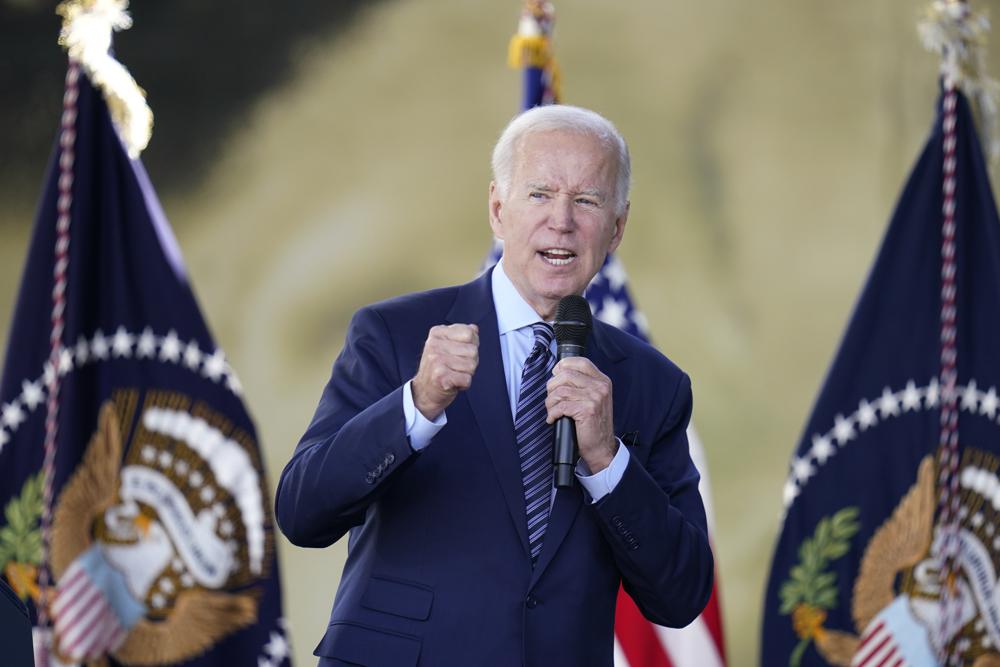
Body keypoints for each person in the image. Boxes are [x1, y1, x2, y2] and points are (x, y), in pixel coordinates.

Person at [275, 104, 714, 666]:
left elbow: (681, 595)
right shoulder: (394, 332)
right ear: (497, 208)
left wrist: (607, 460)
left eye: (586, 200)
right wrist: (416, 406)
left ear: (618, 226)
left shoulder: (655, 385)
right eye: (539, 194)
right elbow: (302, 514)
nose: (562, 220)